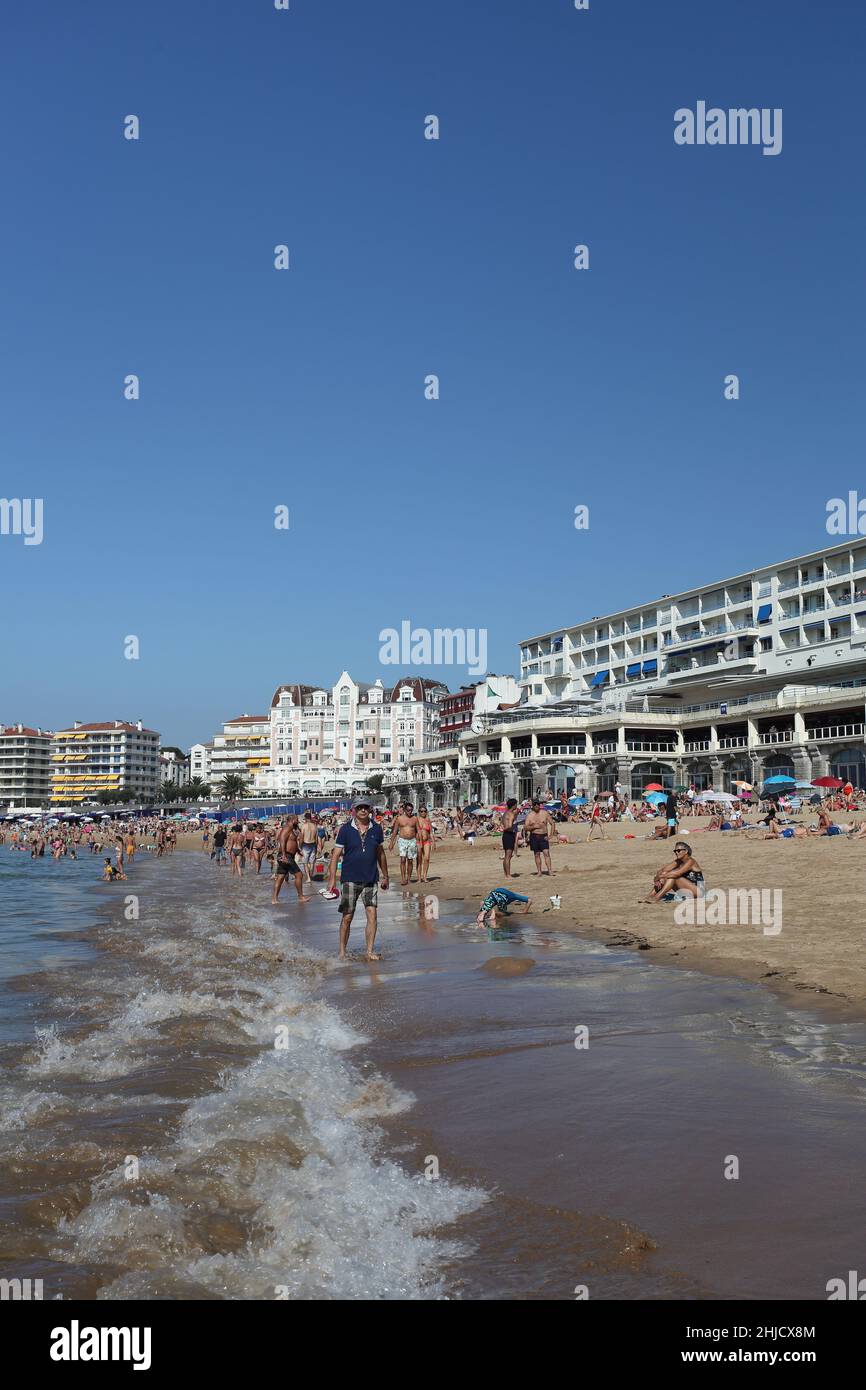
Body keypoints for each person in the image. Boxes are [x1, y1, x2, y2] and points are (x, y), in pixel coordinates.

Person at [327, 797, 389, 961]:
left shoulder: (376, 829)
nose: (363, 810)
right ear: (354, 809)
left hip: (371, 878)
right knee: (347, 917)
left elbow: (380, 854)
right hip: (349, 879)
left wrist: (385, 875)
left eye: (366, 807)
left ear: (370, 809)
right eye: (359, 807)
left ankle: (369, 951)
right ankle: (342, 952)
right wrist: (332, 880)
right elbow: (335, 856)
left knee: (372, 915)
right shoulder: (345, 829)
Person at [272, 816, 304, 903]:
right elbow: (282, 840)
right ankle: (301, 897)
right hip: (286, 856)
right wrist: (283, 855)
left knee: (280, 877)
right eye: (297, 820)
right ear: (293, 820)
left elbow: (292, 842)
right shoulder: (287, 828)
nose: (298, 822)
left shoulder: (291, 829)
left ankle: (274, 899)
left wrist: (297, 851)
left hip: (287, 855)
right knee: (299, 875)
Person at [389, 802, 420, 885]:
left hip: (412, 840)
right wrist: (391, 843)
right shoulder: (399, 819)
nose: (410, 812)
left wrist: (419, 842)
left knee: (410, 860)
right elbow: (395, 831)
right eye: (408, 810)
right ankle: (403, 879)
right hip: (402, 840)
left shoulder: (415, 818)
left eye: (411, 810)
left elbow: (418, 830)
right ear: (404, 810)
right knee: (403, 859)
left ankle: (409, 879)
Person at [523, 799, 555, 875]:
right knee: (536, 854)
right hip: (534, 836)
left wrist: (551, 835)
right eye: (535, 804)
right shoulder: (530, 815)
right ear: (532, 806)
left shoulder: (545, 813)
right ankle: (539, 871)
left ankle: (550, 870)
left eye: (538, 804)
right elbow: (525, 827)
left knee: (546, 853)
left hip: (543, 835)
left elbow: (552, 823)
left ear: (540, 805)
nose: (536, 805)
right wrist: (533, 826)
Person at [501, 797, 519, 877]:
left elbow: (503, 823)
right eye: (516, 804)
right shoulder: (511, 814)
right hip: (509, 834)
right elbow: (509, 826)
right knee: (508, 856)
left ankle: (506, 874)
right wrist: (506, 828)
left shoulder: (505, 813)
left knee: (506, 856)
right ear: (514, 805)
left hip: (505, 835)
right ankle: (508, 874)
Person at [416, 805, 433, 882]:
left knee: (427, 858)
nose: (423, 813)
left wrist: (434, 842)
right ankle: (419, 878)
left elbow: (431, 832)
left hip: (427, 841)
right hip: (418, 841)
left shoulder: (428, 820)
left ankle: (425, 876)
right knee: (419, 860)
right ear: (419, 812)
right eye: (421, 811)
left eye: (425, 811)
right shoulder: (416, 820)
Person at [299, 813, 318, 881]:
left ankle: (308, 878)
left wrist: (300, 846)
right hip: (313, 844)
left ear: (305, 818)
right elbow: (316, 838)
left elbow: (301, 838)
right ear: (310, 818)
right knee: (312, 862)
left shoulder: (304, 826)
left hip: (305, 845)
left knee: (305, 862)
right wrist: (316, 848)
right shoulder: (314, 826)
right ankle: (311, 876)